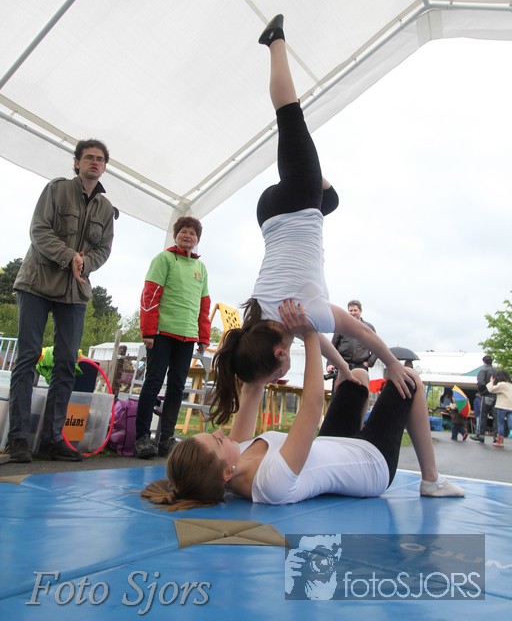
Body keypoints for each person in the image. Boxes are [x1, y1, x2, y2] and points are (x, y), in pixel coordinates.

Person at [210, 14, 412, 427]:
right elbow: (317, 337)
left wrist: (391, 364)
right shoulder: (260, 322)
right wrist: (343, 368)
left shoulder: (309, 312)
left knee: (290, 116)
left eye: (275, 375)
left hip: (295, 203)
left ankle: (274, 41)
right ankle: (313, 175)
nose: (277, 379)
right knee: (330, 200)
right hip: (270, 215)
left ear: (280, 355)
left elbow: (361, 332)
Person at [140, 300, 464, 510]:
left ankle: (354, 383)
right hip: (371, 465)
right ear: (226, 472)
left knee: (358, 377)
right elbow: (311, 407)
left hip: (334, 445)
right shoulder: (271, 483)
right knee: (408, 378)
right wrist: (308, 332)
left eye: (213, 434)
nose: (221, 434)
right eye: (217, 441)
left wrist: (265, 323)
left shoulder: (234, 456)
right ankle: (431, 480)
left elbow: (252, 388)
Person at [7, 139, 117, 463]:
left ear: (104, 167)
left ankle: (53, 438)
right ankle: (18, 439)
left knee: (68, 362)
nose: (94, 162)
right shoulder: (56, 189)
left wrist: (86, 263)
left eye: (100, 159)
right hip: (37, 282)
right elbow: (39, 230)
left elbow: (104, 249)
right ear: (76, 162)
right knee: (28, 357)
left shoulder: (106, 209)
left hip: (75, 290)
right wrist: (69, 256)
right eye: (89, 157)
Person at [134, 216, 211, 459]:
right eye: (183, 232)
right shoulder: (164, 259)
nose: (188, 236)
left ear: (197, 240)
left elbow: (204, 305)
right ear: (176, 235)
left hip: (187, 336)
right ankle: (142, 438)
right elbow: (150, 295)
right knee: (153, 382)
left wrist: (203, 336)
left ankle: (166, 438)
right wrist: (148, 331)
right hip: (161, 333)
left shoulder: (201, 268)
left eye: (192, 233)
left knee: (177, 387)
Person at [326, 300, 378, 373]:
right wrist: (330, 364)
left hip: (361, 366)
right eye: (351, 311)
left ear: (360, 311)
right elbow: (332, 346)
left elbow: (376, 348)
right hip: (342, 365)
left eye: (355, 310)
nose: (353, 313)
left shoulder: (369, 328)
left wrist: (369, 363)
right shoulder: (341, 326)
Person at [470, 355, 497, 443]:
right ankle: (496, 437)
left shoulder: (483, 370)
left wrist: (482, 392)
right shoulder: (496, 371)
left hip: (486, 395)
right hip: (495, 395)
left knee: (483, 416)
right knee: (495, 417)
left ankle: (481, 435)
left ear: (484, 362)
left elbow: (481, 383)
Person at [486, 370, 512, 448]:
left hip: (502, 406)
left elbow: (491, 389)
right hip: (510, 407)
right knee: (510, 421)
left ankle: (500, 441)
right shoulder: (510, 384)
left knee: (500, 423)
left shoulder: (501, 384)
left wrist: (491, 382)